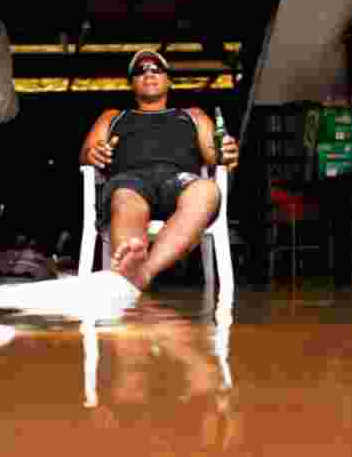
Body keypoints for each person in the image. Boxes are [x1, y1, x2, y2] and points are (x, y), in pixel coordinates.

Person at [79, 49, 240, 292]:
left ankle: (142, 273)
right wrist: (93, 153)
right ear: (131, 83)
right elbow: (87, 153)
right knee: (125, 199)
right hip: (130, 182)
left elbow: (215, 153)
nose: (149, 73)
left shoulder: (192, 115)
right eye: (140, 71)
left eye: (157, 69)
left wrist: (225, 151)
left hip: (180, 181)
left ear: (168, 80)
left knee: (207, 190)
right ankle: (132, 259)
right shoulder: (113, 117)